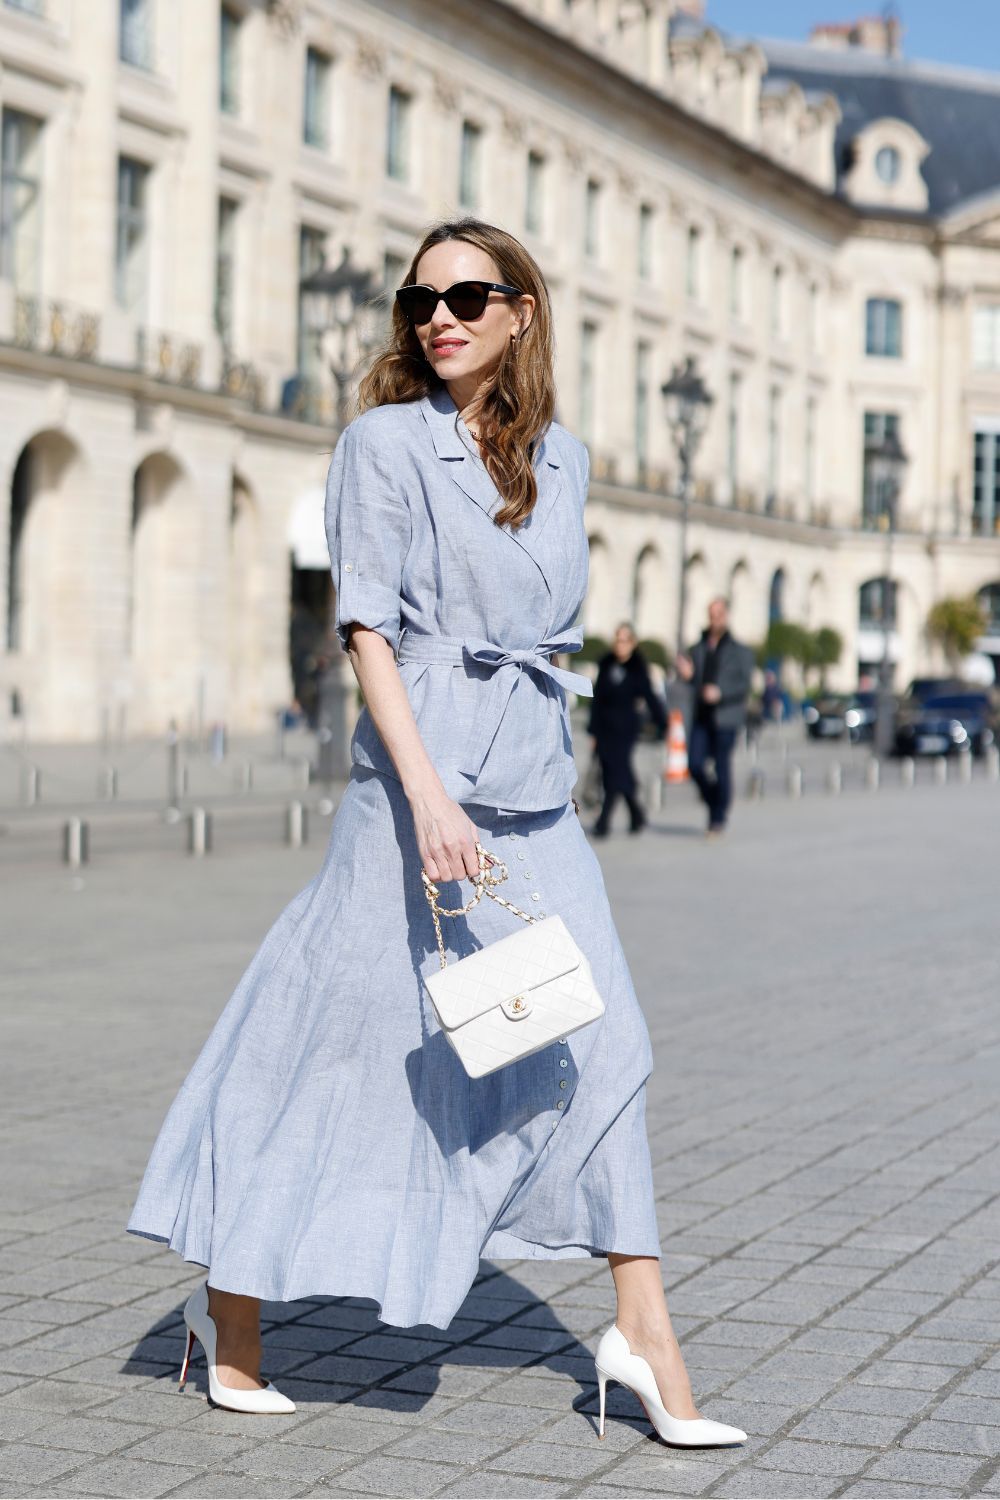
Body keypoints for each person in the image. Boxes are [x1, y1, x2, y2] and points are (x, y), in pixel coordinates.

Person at [125, 218, 745, 1448]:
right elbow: (369, 628)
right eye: (421, 298)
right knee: (339, 1051)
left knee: (604, 1046)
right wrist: (424, 798)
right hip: (413, 798)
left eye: (467, 293)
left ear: (522, 308)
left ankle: (642, 1333)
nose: (439, 315)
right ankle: (228, 1313)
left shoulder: (560, 458)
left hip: (531, 793)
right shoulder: (382, 443)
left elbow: (543, 625)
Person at [676, 598, 754, 837]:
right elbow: (693, 680)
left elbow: (744, 684)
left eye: (719, 614)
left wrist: (721, 693)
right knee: (695, 764)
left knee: (721, 766)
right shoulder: (698, 648)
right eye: (711, 614)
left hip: (726, 717)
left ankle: (717, 817)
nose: (715, 619)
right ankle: (715, 802)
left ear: (726, 615)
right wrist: (688, 676)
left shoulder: (740, 651)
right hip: (702, 715)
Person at [588, 622, 666, 837]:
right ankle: (637, 814)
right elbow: (597, 700)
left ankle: (603, 822)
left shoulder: (638, 667)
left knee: (617, 772)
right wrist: (592, 731)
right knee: (613, 773)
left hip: (626, 728)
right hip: (605, 728)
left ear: (632, 643)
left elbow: (650, 696)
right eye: (617, 640)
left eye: (624, 640)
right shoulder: (606, 664)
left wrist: (663, 722)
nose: (620, 645)